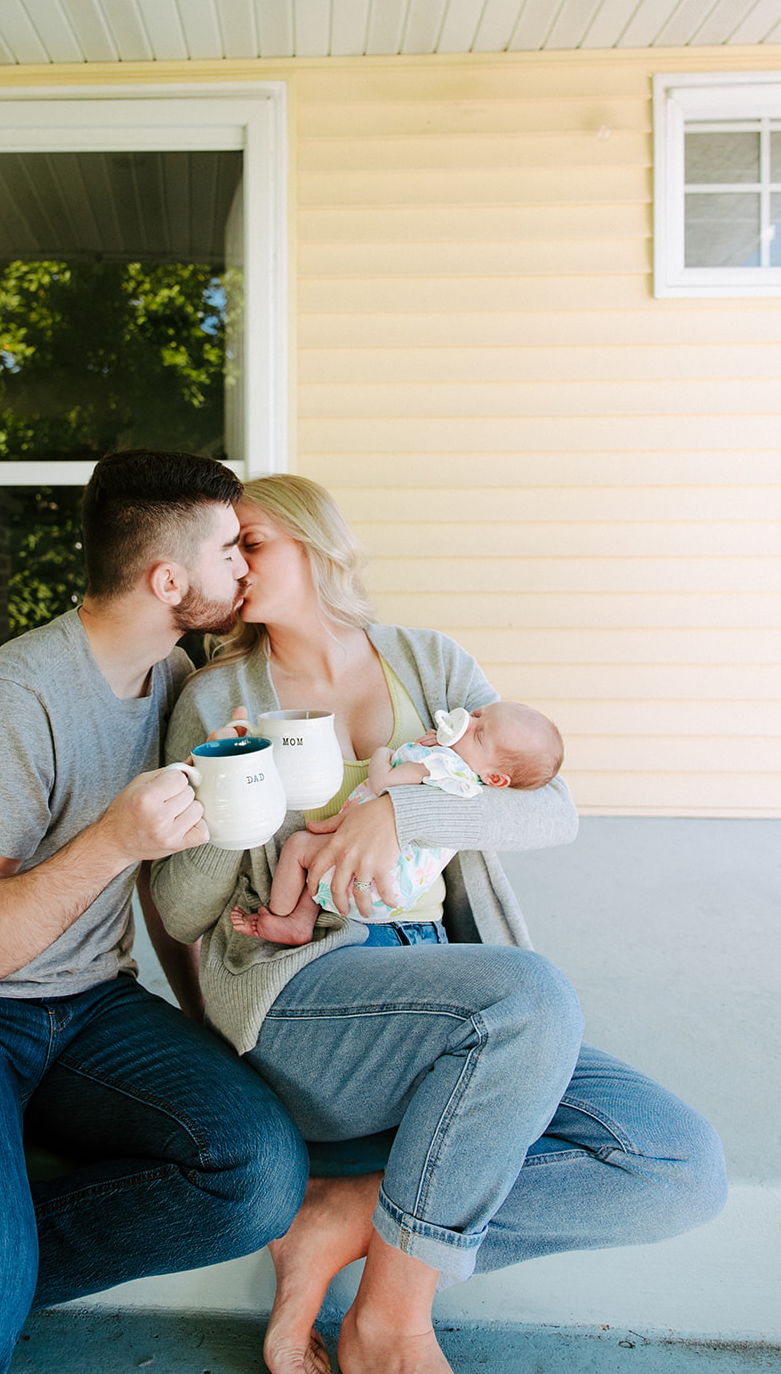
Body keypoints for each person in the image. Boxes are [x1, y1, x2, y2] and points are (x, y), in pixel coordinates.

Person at [150, 474, 727, 1374]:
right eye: (222, 551)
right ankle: (389, 1325)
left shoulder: (428, 663)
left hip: (448, 988)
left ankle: (345, 1215)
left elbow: (550, 809)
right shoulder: (213, 697)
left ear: (313, 543)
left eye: (249, 543)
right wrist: (236, 782)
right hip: (303, 1001)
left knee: (676, 1166)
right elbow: (180, 909)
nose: (231, 567)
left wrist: (401, 812)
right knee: (526, 994)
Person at [0, 451, 309, 1374]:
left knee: (257, 1175)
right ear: (168, 581)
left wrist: (208, 1025)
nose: (244, 566)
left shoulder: (171, 675)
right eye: (227, 551)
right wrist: (114, 841)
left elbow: (162, 885)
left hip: (91, 1005)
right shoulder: (10, 705)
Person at [232, 699, 564, 946]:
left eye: (477, 733)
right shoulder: (467, 783)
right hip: (395, 892)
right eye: (476, 714)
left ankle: (281, 916)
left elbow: (383, 782)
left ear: (496, 778)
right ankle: (303, 920)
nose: (466, 723)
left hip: (374, 878)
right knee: (321, 862)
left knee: (299, 847)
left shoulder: (439, 764)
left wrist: (383, 754)